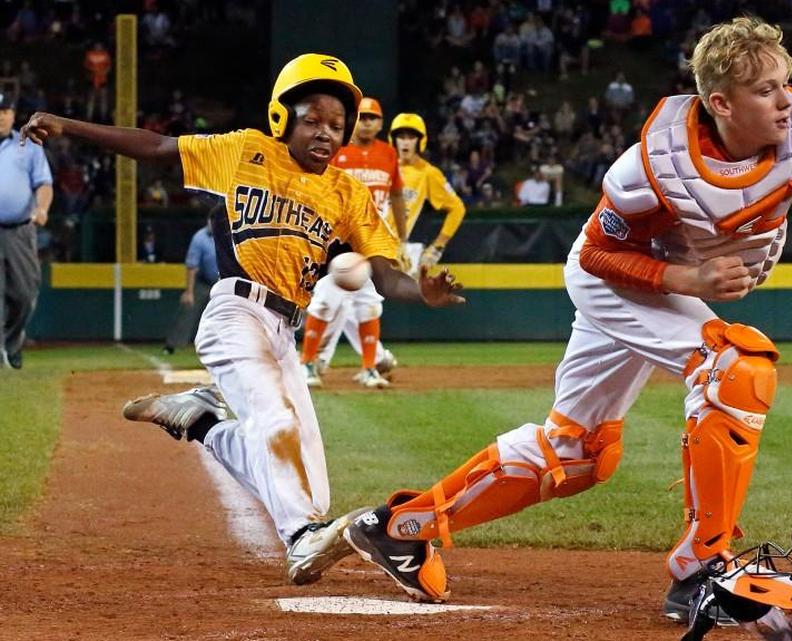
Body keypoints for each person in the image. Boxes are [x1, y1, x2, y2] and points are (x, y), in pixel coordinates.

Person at [330, 16, 792, 610]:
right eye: (766, 89)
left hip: (666, 282)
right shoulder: (653, 165)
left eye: (785, 84)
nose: (785, 101)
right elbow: (598, 256)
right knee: (735, 362)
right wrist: (685, 272)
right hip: (617, 278)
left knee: (578, 455)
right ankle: (700, 567)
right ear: (722, 103)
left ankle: (401, 526)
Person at [19, 54, 464, 586]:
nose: (326, 132)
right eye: (313, 119)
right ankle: (301, 541)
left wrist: (423, 292)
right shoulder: (244, 150)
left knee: (308, 488)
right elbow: (158, 147)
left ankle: (201, 422)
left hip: (284, 332)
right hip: (235, 311)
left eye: (337, 125)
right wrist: (69, 126)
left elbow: (385, 277)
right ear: (284, 118)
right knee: (275, 428)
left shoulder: (347, 194)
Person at [302, 111, 466, 387]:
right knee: (341, 299)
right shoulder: (368, 158)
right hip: (348, 239)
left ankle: (335, 362)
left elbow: (452, 207)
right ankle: (354, 360)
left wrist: (433, 246)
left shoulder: (423, 172)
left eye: (412, 136)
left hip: (387, 244)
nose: (406, 141)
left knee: (358, 301)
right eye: (401, 135)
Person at [299, 96, 407, 389]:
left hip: (371, 240)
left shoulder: (388, 154)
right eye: (362, 117)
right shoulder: (337, 149)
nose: (367, 122)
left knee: (369, 304)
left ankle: (370, 368)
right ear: (352, 121)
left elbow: (396, 195)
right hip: (335, 239)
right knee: (324, 301)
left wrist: (402, 238)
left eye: (373, 118)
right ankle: (306, 364)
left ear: (381, 123)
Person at [0, 91, 52, 370]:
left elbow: (44, 184)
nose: (0, 116)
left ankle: (12, 342)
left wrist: (42, 209)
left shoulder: (28, 146)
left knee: (23, 293)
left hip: (20, 230)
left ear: (12, 114)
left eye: (5, 111)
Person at [162, 219, 219, 355]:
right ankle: (171, 346)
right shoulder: (199, 237)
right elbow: (192, 266)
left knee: (224, 313)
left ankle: (222, 348)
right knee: (188, 308)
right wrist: (189, 291)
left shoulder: (227, 236)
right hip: (202, 282)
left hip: (221, 283)